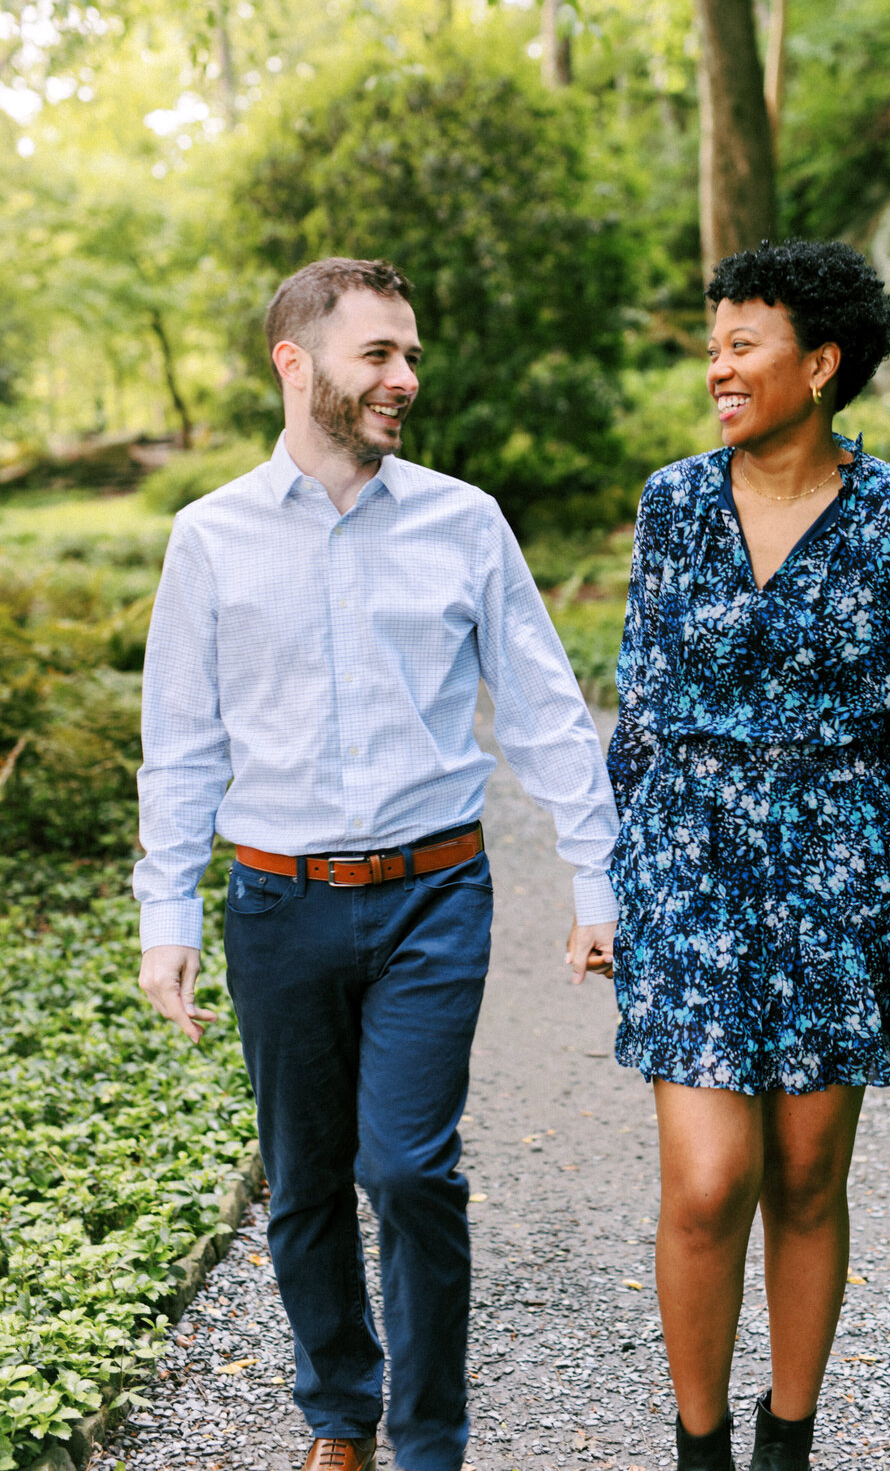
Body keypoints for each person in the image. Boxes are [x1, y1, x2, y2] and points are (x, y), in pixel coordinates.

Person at [135, 257, 619, 1471]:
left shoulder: (464, 520)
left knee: (407, 1169)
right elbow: (182, 744)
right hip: (277, 903)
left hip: (433, 894)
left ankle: (429, 1441)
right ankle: (340, 1415)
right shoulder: (209, 539)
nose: (405, 378)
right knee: (301, 1185)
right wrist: (166, 912)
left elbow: (549, 708)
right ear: (295, 364)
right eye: (378, 355)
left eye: (410, 355)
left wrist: (595, 879)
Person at [605, 238, 890, 1471]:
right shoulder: (673, 502)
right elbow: (643, 700)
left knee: (809, 1172)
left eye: (743, 344)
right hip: (693, 861)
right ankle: (700, 1447)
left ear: (820, 364)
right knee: (713, 1180)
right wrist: (607, 880)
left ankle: (788, 1441)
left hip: (841, 864)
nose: (717, 367)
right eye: (712, 343)